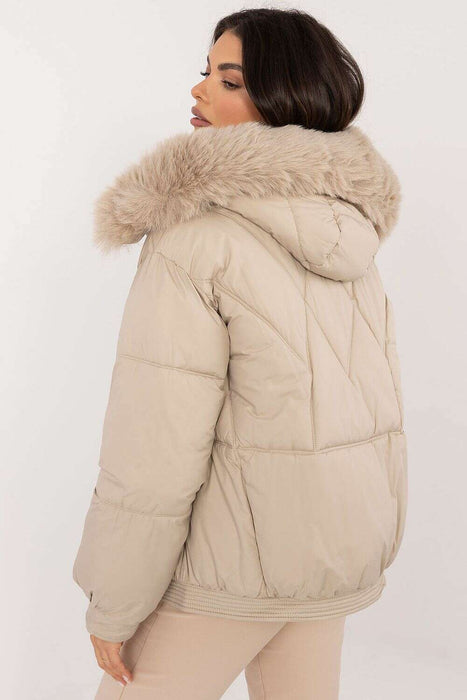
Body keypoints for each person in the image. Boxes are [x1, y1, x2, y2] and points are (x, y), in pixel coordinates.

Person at [72, 8, 408, 699]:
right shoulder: (345, 227)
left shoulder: (195, 236)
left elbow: (156, 444)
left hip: (226, 568)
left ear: (283, 98)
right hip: (329, 552)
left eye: (229, 80)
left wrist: (115, 600)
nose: (199, 91)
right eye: (206, 74)